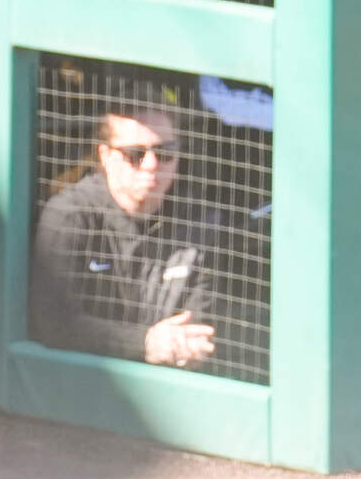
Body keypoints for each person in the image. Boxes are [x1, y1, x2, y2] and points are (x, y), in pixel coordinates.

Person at [29, 106, 219, 370]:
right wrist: (145, 343)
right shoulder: (70, 216)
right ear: (105, 156)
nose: (151, 165)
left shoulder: (196, 222)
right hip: (80, 380)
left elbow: (202, 323)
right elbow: (55, 323)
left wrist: (184, 344)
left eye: (165, 152)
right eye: (135, 153)